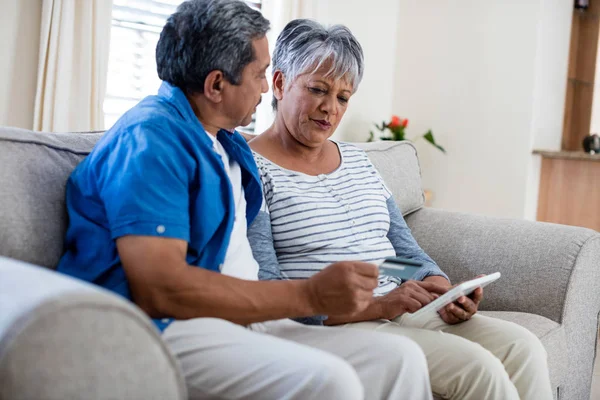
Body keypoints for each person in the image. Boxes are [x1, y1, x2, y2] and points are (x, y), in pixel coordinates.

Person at [56, 1, 434, 399]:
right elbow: (160, 290)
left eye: (343, 96)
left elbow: (402, 249)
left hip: (248, 317)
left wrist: (430, 279)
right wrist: (312, 296)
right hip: (165, 323)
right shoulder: (151, 141)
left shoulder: (228, 144)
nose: (267, 85)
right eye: (259, 74)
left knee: (400, 359)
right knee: (331, 381)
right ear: (216, 85)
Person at [247, 18, 554, 400]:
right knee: (480, 370)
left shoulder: (358, 162)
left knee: (523, 347)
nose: (330, 109)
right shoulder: (251, 170)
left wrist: (441, 287)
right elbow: (266, 287)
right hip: (340, 323)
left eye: (343, 97)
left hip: (399, 306)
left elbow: (401, 253)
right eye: (317, 89)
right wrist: (376, 305)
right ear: (279, 83)